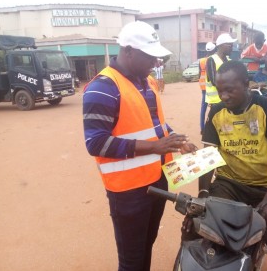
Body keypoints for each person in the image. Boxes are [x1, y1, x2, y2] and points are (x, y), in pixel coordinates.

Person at [83, 20, 197, 271]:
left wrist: (177, 140)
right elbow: (96, 143)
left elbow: (157, 126)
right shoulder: (103, 87)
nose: (155, 64)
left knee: (147, 245)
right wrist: (155, 147)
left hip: (157, 181)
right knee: (131, 260)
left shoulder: (148, 83)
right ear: (128, 51)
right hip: (128, 193)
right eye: (150, 57)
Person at [185, 60, 267, 270]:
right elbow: (208, 155)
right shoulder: (216, 112)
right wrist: (203, 194)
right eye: (220, 91)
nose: (224, 96)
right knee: (197, 230)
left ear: (246, 84)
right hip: (229, 184)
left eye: (230, 90)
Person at [205, 33, 237, 105]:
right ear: (221, 46)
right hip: (216, 101)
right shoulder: (211, 60)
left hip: (228, 99)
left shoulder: (229, 61)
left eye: (232, 45)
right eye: (229, 45)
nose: (232, 47)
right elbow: (214, 81)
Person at [198, 42, 216, 134]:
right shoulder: (213, 59)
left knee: (203, 108)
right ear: (213, 50)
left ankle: (202, 127)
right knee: (213, 106)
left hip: (203, 85)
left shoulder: (201, 60)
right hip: (210, 86)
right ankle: (212, 127)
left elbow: (199, 72)